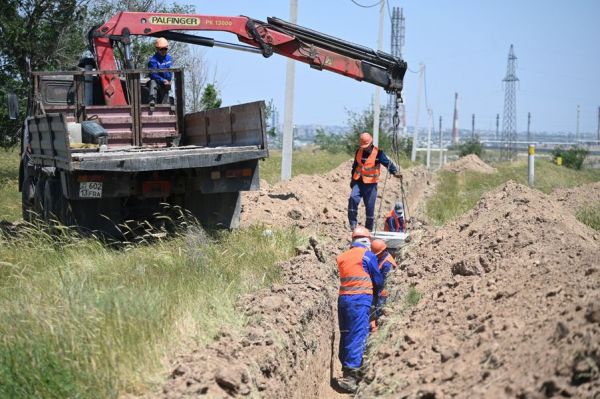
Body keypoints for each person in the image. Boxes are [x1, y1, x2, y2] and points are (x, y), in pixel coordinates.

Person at [335, 226, 383, 393]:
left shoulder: (342, 257)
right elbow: (377, 278)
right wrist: (377, 298)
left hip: (343, 300)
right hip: (360, 299)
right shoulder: (367, 255)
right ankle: (351, 377)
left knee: (346, 332)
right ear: (366, 241)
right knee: (358, 333)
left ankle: (346, 368)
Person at [348, 132, 402, 231]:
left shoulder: (378, 153)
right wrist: (352, 180)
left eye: (366, 146)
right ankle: (353, 224)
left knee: (370, 207)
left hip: (371, 184)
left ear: (371, 143)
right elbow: (355, 166)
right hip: (358, 181)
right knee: (353, 198)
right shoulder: (358, 152)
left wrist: (394, 172)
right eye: (363, 146)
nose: (364, 148)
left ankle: (368, 229)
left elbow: (387, 163)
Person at [369, 239, 397, 332]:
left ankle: (378, 324)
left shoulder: (387, 264)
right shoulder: (382, 258)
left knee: (380, 305)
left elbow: (384, 281)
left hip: (384, 289)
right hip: (380, 286)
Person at [148, 37, 173, 106]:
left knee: (165, 100)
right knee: (153, 82)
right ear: (157, 49)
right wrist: (163, 80)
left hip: (165, 83)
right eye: (161, 49)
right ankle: (152, 101)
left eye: (165, 49)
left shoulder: (169, 58)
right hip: (157, 81)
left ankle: (165, 105)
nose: (163, 50)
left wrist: (169, 80)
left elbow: (170, 70)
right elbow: (153, 74)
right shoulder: (153, 60)